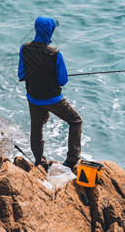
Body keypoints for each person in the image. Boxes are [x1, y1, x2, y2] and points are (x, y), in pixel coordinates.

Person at [18, 16, 82, 171]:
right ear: (50, 31)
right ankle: (72, 160)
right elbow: (62, 81)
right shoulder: (55, 54)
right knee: (76, 121)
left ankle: (39, 161)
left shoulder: (24, 48)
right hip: (53, 99)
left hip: (33, 97)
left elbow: (21, 75)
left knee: (36, 127)